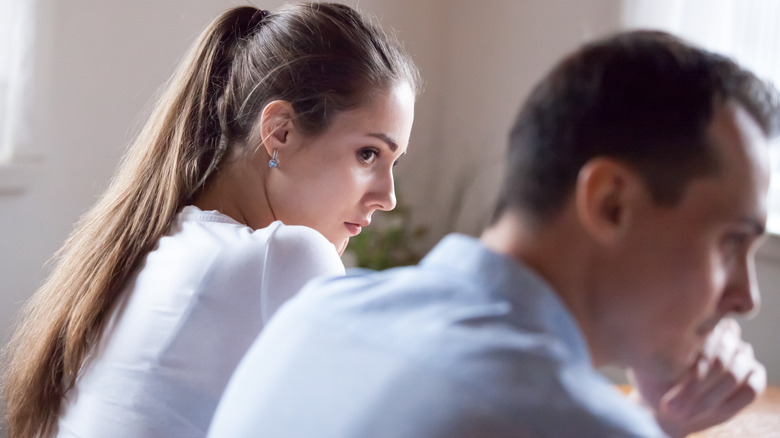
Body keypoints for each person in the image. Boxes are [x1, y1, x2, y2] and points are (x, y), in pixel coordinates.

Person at [206, 30, 779, 438]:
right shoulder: (567, 421)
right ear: (610, 203)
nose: (745, 297)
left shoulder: (314, 315)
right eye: (730, 241)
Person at [1, 3, 419, 438]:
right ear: (280, 132)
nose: (387, 197)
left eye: (393, 162)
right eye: (368, 154)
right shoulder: (285, 257)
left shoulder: (149, 243)